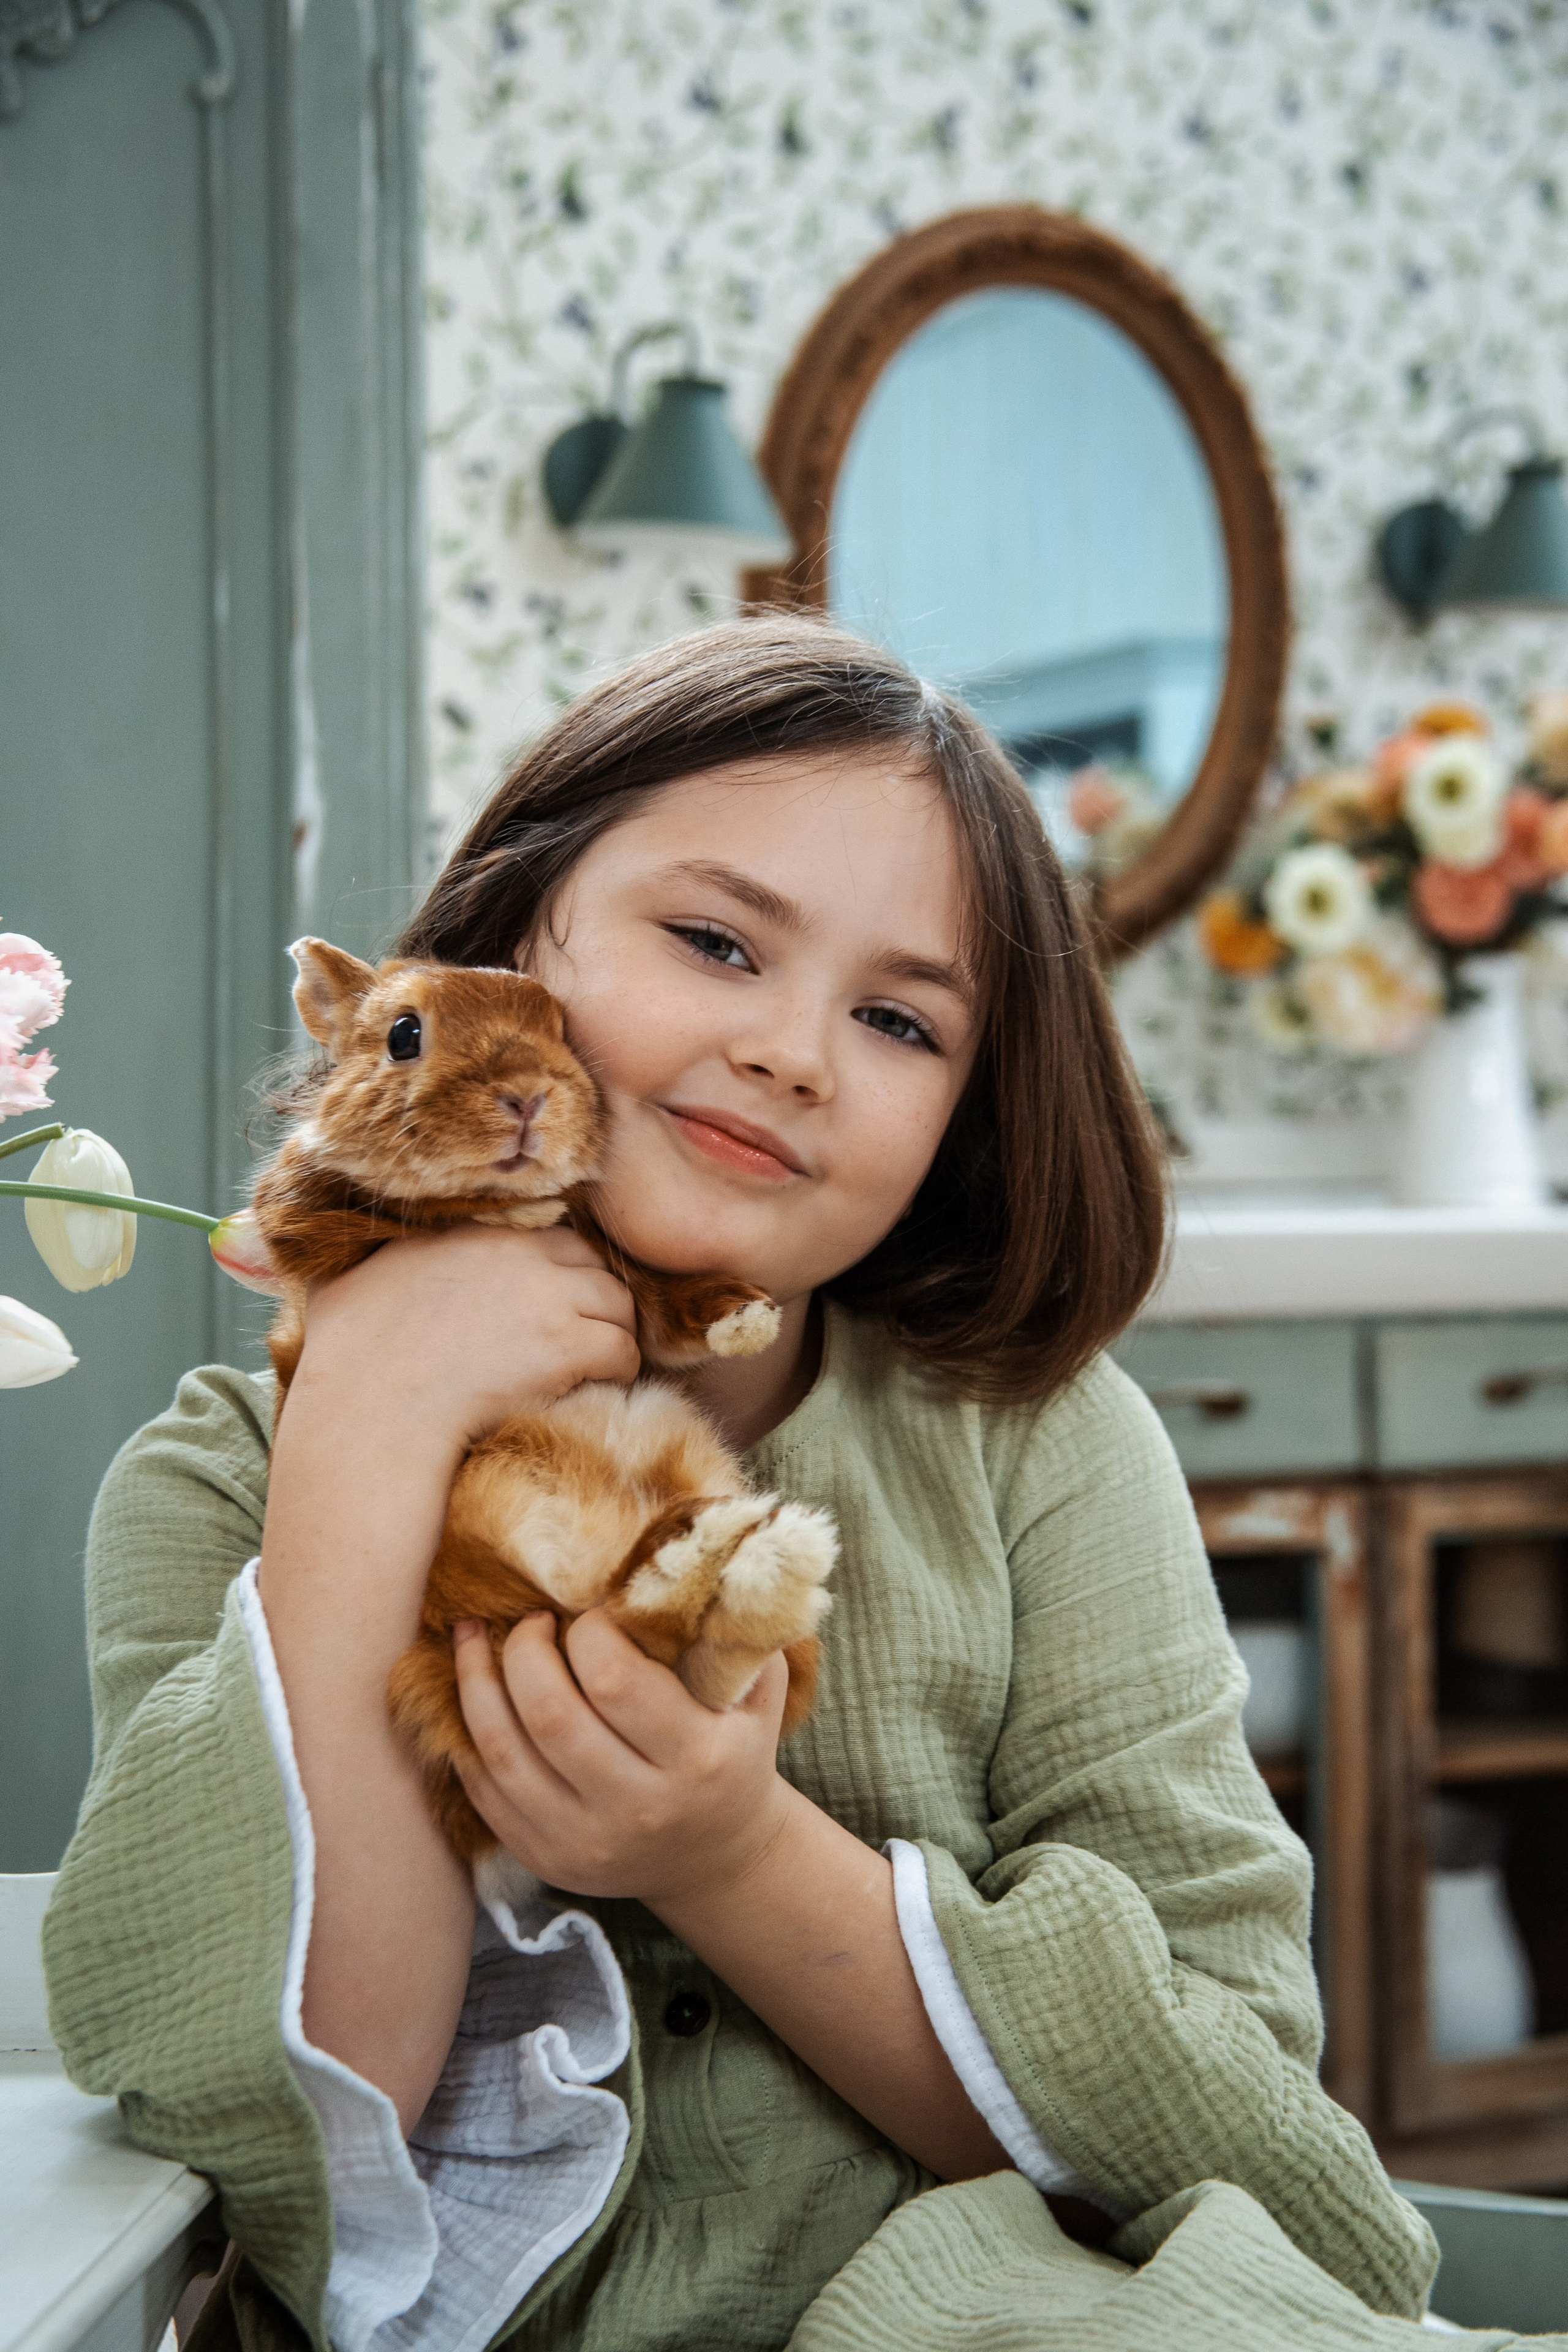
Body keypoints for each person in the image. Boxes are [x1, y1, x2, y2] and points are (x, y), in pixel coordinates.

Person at [44, 617, 1438, 2352]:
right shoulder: (220, 1479)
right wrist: (370, 1429)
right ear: (506, 943)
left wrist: (730, 1853)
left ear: (966, 1120)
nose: (795, 1051)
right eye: (715, 941)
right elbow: (279, 2127)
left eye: (901, 1021)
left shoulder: (1044, 1452)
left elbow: (1274, 2174)